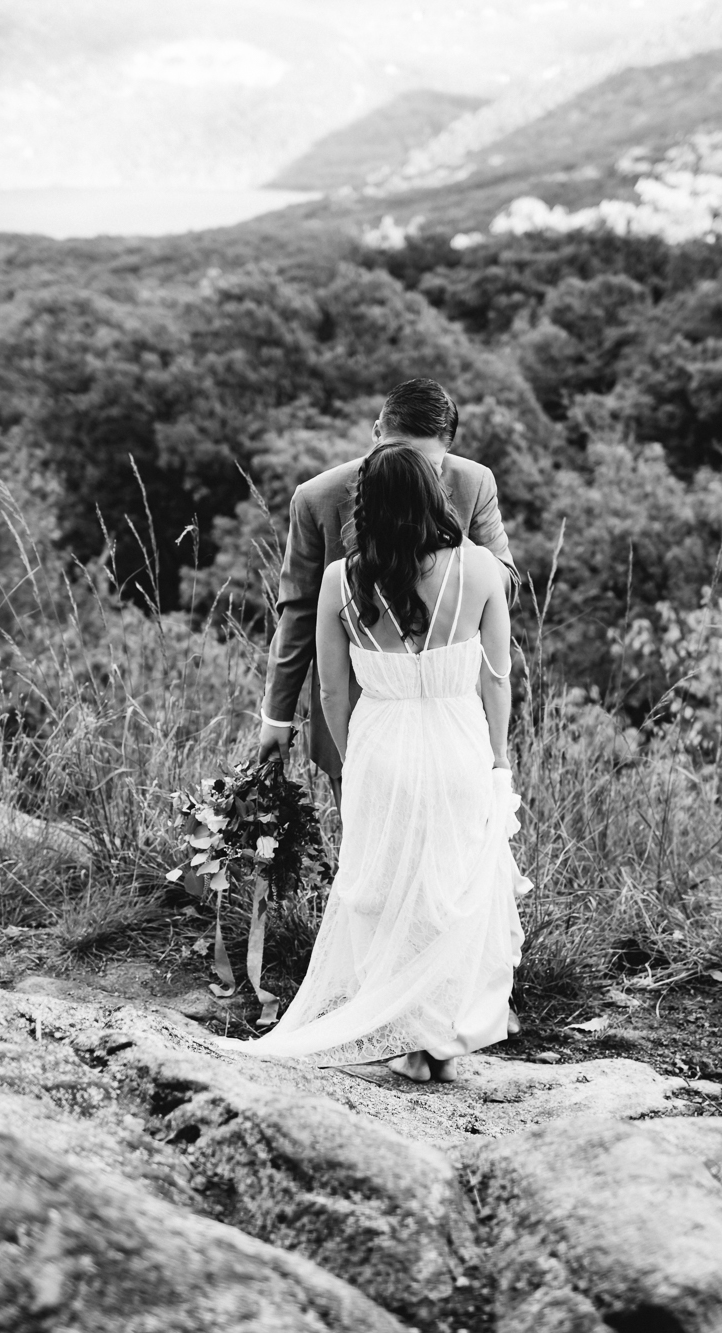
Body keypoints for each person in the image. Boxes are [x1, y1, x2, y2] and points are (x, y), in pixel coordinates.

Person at [217, 442, 525, 1080]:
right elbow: (498, 680)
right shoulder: (481, 570)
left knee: (384, 888)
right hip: (458, 741)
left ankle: (400, 1025)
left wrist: (355, 761)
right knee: (451, 887)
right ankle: (436, 1039)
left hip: (379, 742)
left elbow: (331, 690)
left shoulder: (339, 581)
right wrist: (499, 758)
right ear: (434, 499)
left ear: (367, 504)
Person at [255, 378, 514, 794]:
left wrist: (449, 546)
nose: (409, 473)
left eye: (427, 466)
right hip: (359, 716)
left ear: (447, 449)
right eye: (397, 452)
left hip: (454, 718)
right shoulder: (316, 497)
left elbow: (507, 583)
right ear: (376, 432)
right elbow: (298, 613)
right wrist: (277, 716)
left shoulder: (474, 482)